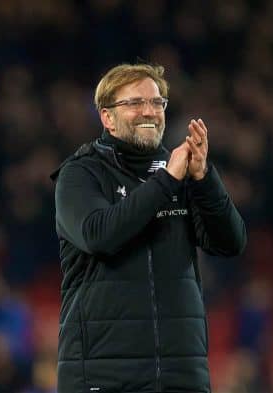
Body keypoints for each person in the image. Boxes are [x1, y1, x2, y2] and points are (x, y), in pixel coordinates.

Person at [50, 63, 247, 393]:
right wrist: (167, 181)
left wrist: (204, 178)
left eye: (157, 103)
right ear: (107, 117)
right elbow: (100, 236)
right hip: (104, 378)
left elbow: (231, 243)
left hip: (181, 377)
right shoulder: (81, 175)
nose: (149, 112)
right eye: (134, 103)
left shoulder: (181, 172)